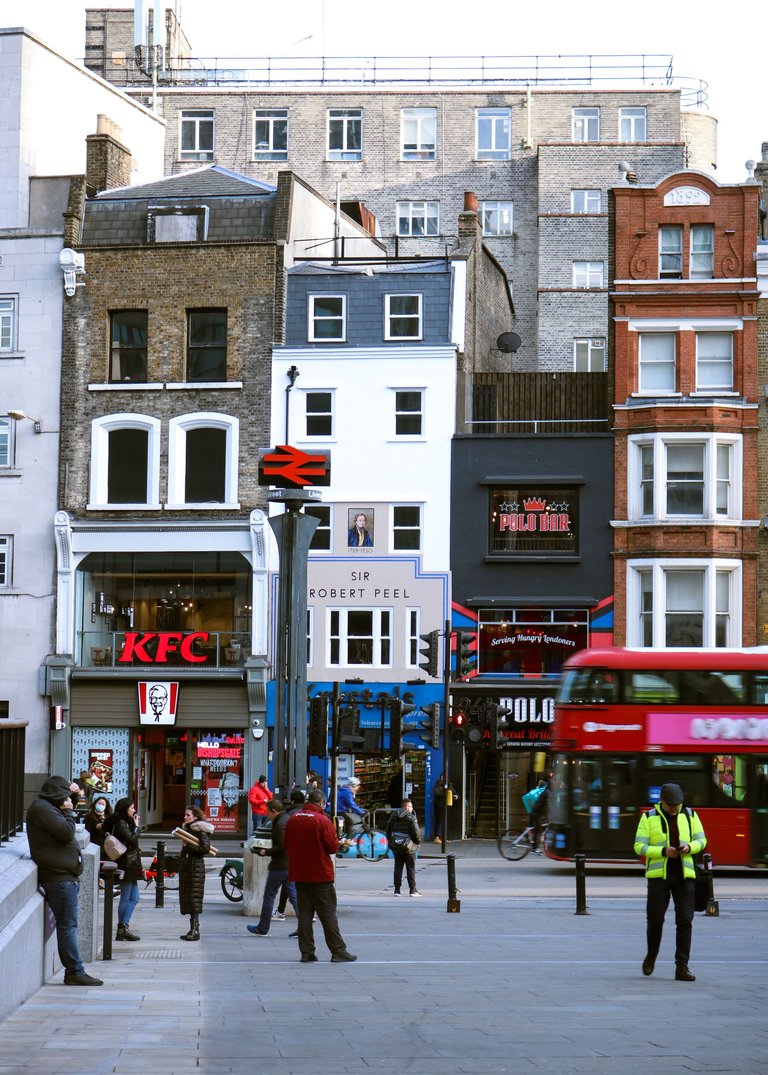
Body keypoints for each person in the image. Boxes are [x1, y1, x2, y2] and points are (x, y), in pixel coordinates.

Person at [26, 776, 103, 986]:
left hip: (64, 877)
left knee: (69, 924)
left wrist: (75, 796)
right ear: (57, 795)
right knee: (68, 925)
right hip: (58, 879)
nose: (69, 800)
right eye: (65, 796)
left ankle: (75, 970)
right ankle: (74, 971)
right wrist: (69, 810)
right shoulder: (42, 808)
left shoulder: (48, 807)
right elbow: (67, 831)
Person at [633, 782, 707, 982]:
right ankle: (652, 954)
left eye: (678, 805)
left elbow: (702, 841)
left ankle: (682, 966)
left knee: (685, 921)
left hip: (685, 876)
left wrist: (689, 847)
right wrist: (663, 851)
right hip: (659, 878)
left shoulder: (690, 815)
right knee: (655, 920)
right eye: (671, 805)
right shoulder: (648, 818)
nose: (675, 808)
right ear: (662, 802)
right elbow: (639, 846)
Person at [284, 789, 357, 963]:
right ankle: (338, 950)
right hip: (320, 874)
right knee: (328, 914)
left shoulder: (293, 819)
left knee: (305, 916)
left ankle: (306, 952)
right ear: (322, 802)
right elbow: (332, 848)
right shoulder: (323, 821)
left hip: (300, 874)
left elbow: (287, 843)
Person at [247, 799, 300, 936]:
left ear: (274, 811)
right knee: (294, 897)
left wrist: (266, 851)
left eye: (268, 811)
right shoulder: (287, 819)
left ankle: (262, 928)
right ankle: (304, 927)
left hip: (280, 866)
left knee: (269, 897)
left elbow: (282, 846)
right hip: (290, 864)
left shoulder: (279, 824)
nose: (266, 814)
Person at [107, 797, 144, 942]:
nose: (134, 810)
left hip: (130, 863)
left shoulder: (122, 821)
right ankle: (122, 929)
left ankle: (123, 928)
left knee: (135, 898)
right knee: (127, 897)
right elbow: (131, 840)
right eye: (132, 808)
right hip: (126, 863)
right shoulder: (121, 822)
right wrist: (136, 827)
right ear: (125, 809)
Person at [178, 805, 214, 941]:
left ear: (195, 817)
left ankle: (195, 930)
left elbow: (205, 848)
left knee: (194, 899)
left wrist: (188, 846)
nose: (185, 817)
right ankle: (192, 929)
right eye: (185, 815)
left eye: (188, 815)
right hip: (188, 866)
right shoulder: (187, 829)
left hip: (195, 866)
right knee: (189, 897)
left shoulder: (199, 829)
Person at [386, 797, 422, 896]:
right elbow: (416, 833)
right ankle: (412, 890)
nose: (411, 808)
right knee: (410, 868)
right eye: (410, 806)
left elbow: (388, 829)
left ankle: (397, 890)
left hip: (397, 846)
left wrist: (390, 841)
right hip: (409, 847)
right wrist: (417, 842)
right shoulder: (411, 818)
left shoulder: (393, 816)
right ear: (406, 807)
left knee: (398, 867)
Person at [83, 795, 112, 861]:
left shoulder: (108, 817)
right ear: (95, 804)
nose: (100, 805)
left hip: (105, 846)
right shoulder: (89, 816)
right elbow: (86, 832)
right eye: (99, 803)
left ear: (105, 806)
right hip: (93, 844)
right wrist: (96, 827)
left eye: (103, 804)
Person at [529, 777, 550, 853]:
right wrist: (549, 815)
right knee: (539, 831)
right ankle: (535, 848)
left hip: (535, 812)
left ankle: (534, 847)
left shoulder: (541, 792)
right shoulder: (546, 792)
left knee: (537, 830)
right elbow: (548, 805)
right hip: (538, 813)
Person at [432, 774, 454, 843]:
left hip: (446, 806)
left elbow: (454, 791)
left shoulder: (449, 785)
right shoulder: (437, 785)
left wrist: (456, 796)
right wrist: (445, 793)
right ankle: (437, 837)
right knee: (438, 821)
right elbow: (437, 793)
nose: (443, 779)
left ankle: (445, 837)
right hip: (439, 806)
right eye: (442, 777)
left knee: (446, 822)